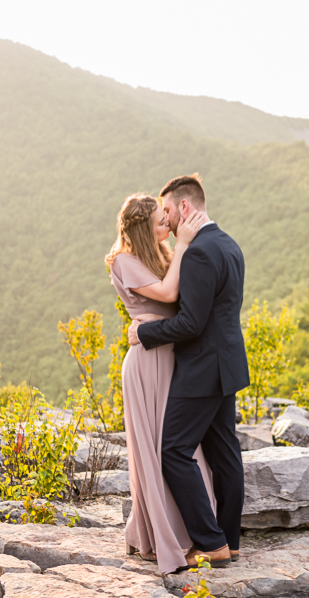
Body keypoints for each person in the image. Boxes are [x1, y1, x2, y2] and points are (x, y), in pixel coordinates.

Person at [128, 174, 250, 570]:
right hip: (227, 364)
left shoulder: (197, 252)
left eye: (166, 210)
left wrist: (145, 332)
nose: (164, 219)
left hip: (201, 369)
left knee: (174, 451)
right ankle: (228, 542)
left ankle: (210, 542)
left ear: (184, 207)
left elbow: (191, 324)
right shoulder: (229, 244)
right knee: (225, 454)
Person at [105, 191, 212, 574]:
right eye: (160, 222)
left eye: (166, 219)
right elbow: (167, 294)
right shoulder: (125, 260)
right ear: (143, 228)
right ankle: (163, 537)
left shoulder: (163, 255)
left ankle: (194, 530)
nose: (167, 224)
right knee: (155, 450)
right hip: (147, 364)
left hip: (172, 359)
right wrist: (184, 244)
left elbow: (182, 303)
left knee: (180, 447)